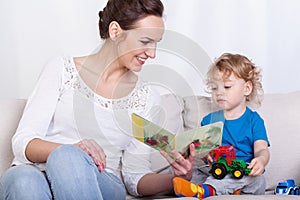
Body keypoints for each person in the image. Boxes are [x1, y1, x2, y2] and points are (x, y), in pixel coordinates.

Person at [0, 0, 195, 199]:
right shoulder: (61, 69)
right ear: (115, 31)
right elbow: (23, 142)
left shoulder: (145, 98)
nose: (152, 53)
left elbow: (135, 177)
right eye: (145, 41)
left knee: (67, 158)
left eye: (156, 43)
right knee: (24, 179)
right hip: (33, 172)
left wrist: (177, 179)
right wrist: (72, 149)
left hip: (101, 180)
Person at [172, 53, 270, 199]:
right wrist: (207, 155)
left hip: (242, 173)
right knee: (197, 172)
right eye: (214, 88)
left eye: (227, 86)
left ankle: (205, 191)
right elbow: (205, 151)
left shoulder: (254, 121)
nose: (219, 93)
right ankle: (221, 189)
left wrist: (261, 160)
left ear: (247, 89)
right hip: (217, 171)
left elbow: (262, 148)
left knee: (257, 180)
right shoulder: (209, 120)